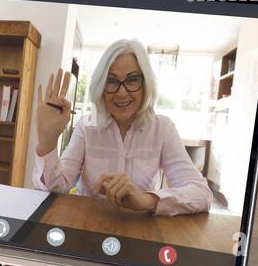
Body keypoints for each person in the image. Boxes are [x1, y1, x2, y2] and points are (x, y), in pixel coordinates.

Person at [32, 39, 211, 215]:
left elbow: (202, 194)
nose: (122, 92)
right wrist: (47, 142)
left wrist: (147, 200)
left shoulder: (163, 128)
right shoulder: (87, 126)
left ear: (145, 84)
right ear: (101, 87)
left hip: (138, 228)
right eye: (111, 81)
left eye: (132, 80)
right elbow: (56, 189)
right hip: (89, 224)